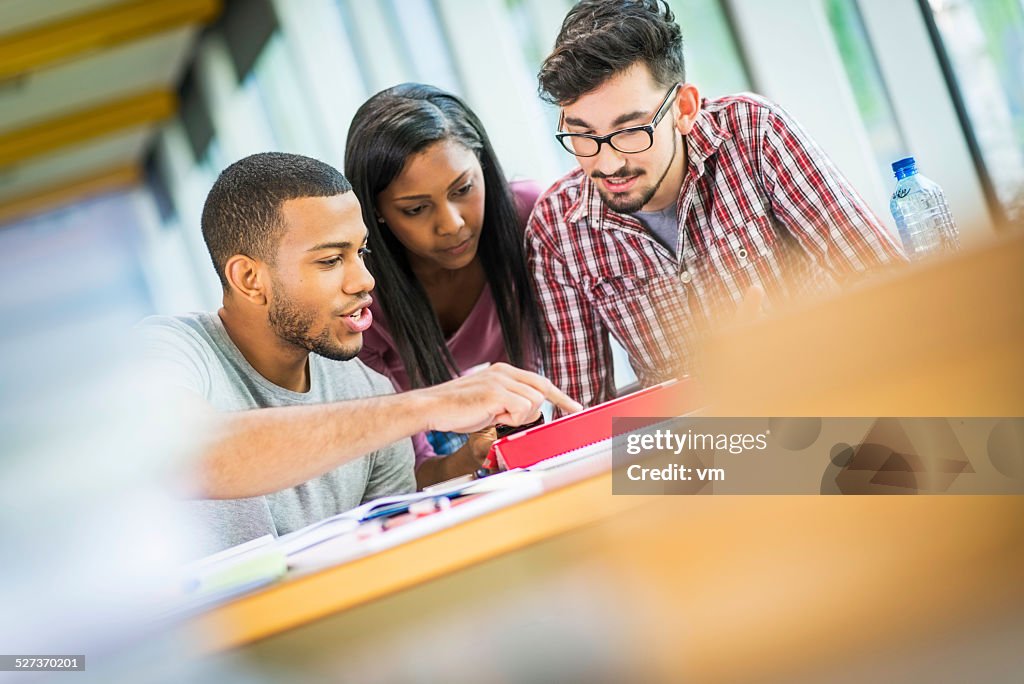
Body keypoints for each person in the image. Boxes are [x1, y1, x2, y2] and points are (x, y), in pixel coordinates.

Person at [138, 152, 580, 553]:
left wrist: (473, 459)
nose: (365, 280)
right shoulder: (169, 350)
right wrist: (427, 406)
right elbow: (190, 454)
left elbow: (398, 544)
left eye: (361, 252)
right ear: (250, 279)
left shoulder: (366, 387)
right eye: (331, 261)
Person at [527, 0, 907, 411]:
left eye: (631, 130)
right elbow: (579, 418)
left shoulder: (754, 133)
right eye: (583, 135)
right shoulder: (556, 230)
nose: (606, 163)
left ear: (684, 109)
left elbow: (890, 292)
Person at [345, 84, 545, 487]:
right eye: (416, 209)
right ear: (376, 213)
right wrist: (472, 456)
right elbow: (408, 474)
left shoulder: (531, 217)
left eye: (463, 189)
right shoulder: (361, 300)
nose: (452, 223)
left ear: (483, 167)